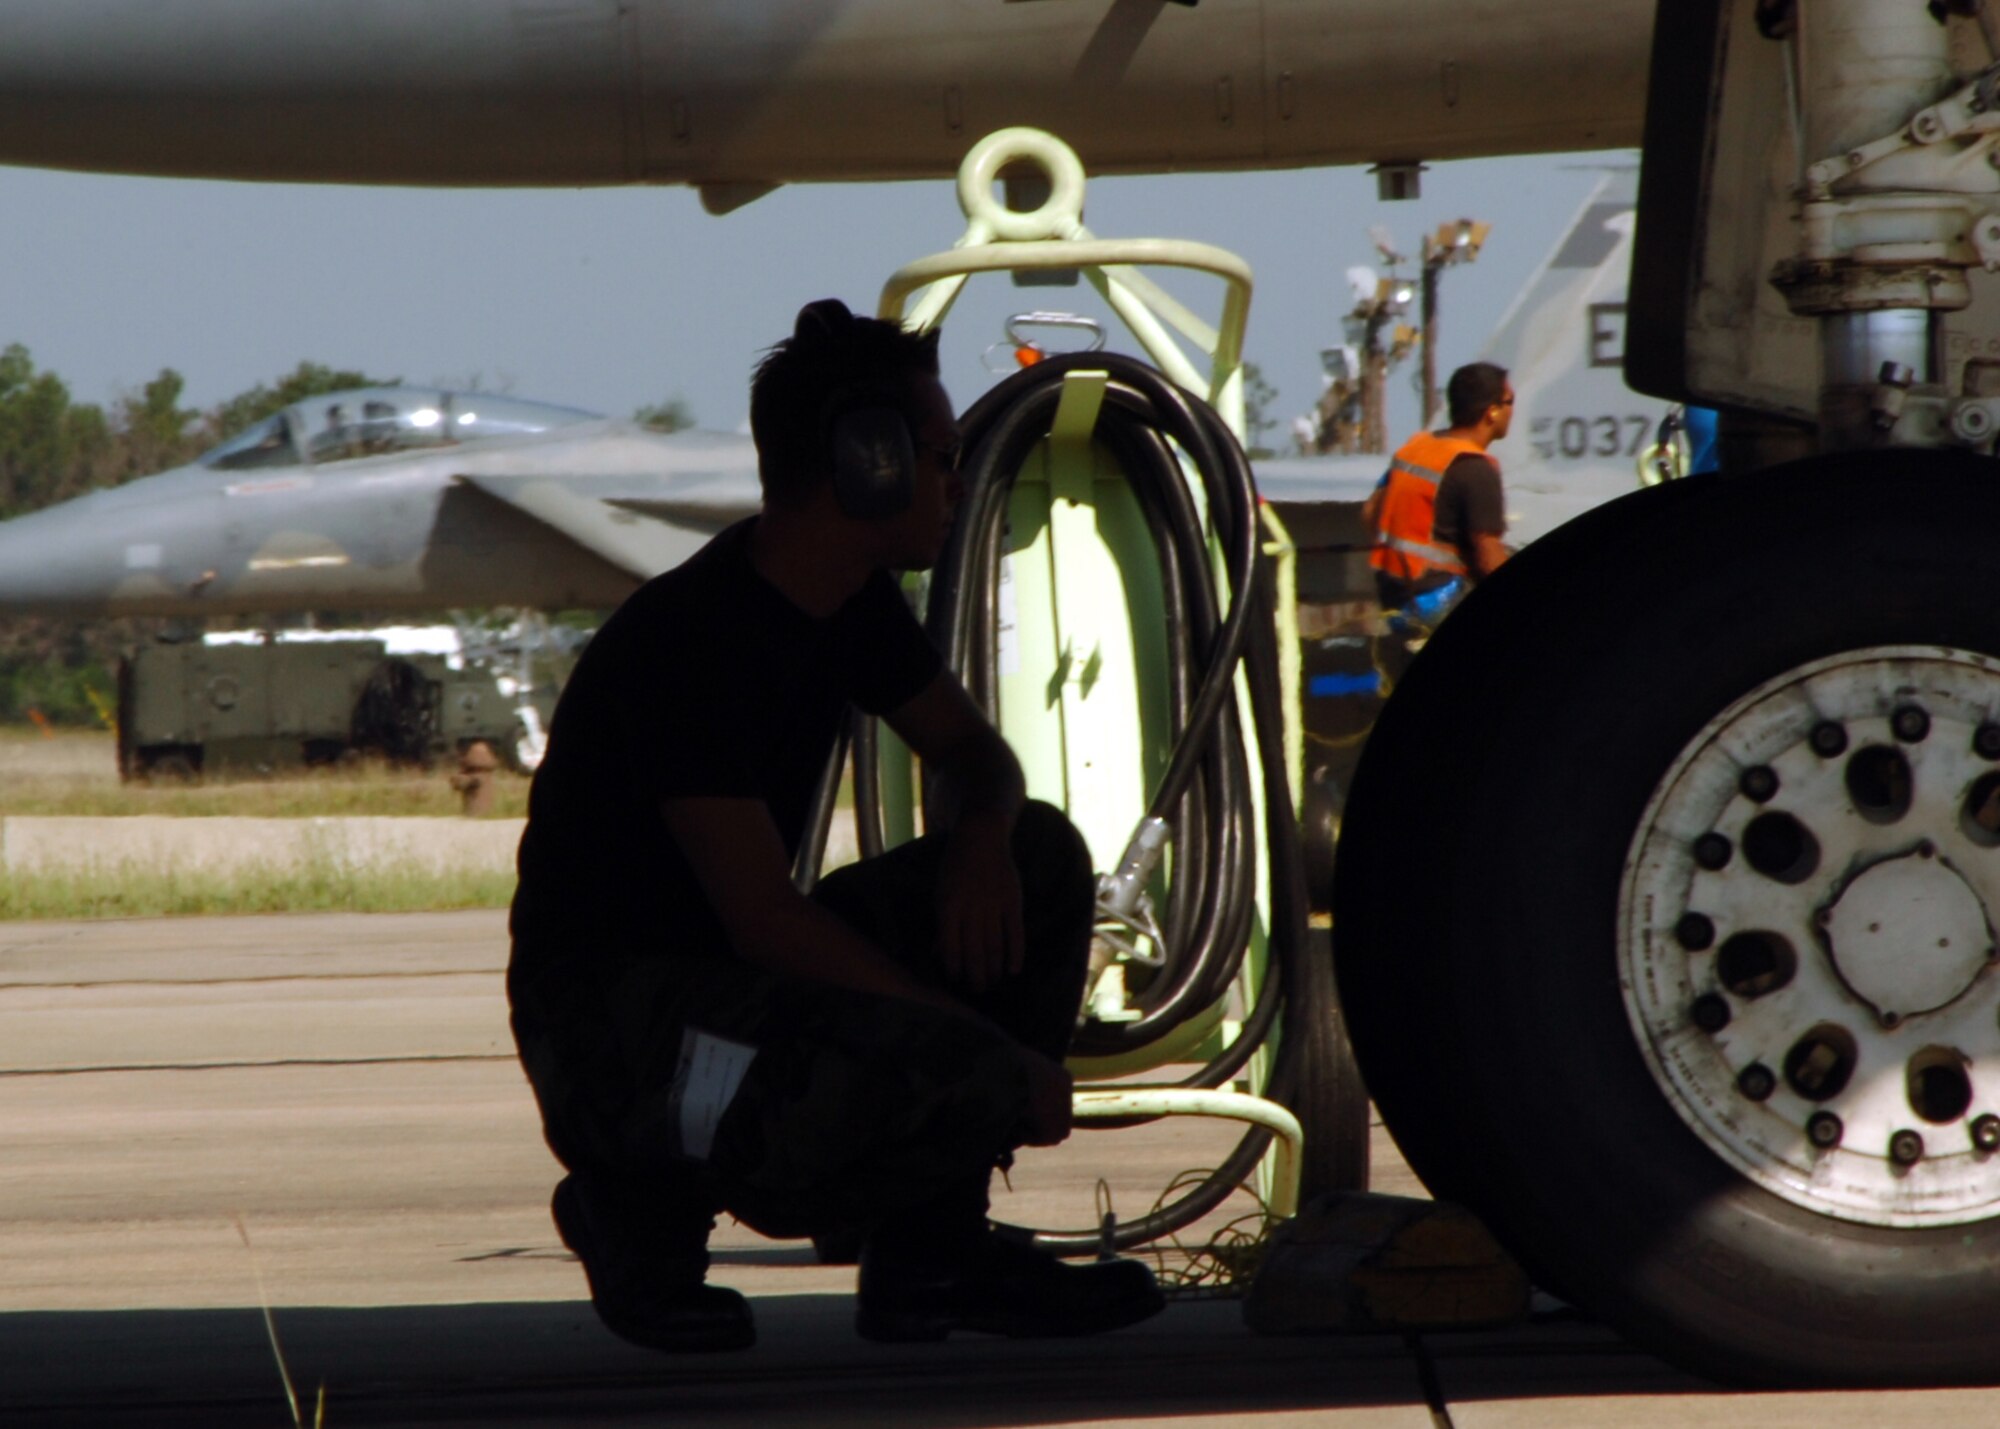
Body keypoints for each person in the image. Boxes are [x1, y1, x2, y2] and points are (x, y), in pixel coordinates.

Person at [507, 298, 1165, 1355]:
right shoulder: (694, 644)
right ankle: (638, 1206)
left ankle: (929, 1258)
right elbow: (765, 920)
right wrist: (990, 1051)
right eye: (940, 455)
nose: (955, 483)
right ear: (866, 461)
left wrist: (983, 839)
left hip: (724, 977)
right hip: (616, 1030)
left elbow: (975, 757)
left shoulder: (848, 602)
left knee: (1039, 857)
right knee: (952, 1066)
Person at [1362, 361, 1514, 622]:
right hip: (1439, 599)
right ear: (1493, 412)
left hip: (1393, 596)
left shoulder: (1415, 449)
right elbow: (1489, 555)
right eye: (1509, 401)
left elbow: (1369, 513)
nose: (1513, 410)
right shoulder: (1475, 468)